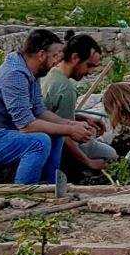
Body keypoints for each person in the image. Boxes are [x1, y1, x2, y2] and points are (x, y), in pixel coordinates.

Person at [0, 28, 96, 184]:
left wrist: (71, 124)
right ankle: (25, 192)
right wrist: (70, 130)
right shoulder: (14, 75)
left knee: (56, 134)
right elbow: (26, 125)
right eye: (55, 55)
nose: (58, 60)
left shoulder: (31, 73)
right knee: (39, 142)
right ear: (41, 55)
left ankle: (50, 186)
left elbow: (39, 110)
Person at [41, 33, 118, 172]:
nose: (90, 72)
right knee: (111, 155)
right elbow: (64, 135)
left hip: (45, 137)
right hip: (54, 146)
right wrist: (89, 162)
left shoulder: (51, 73)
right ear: (75, 57)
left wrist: (82, 117)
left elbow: (54, 114)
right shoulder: (65, 88)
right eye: (88, 66)